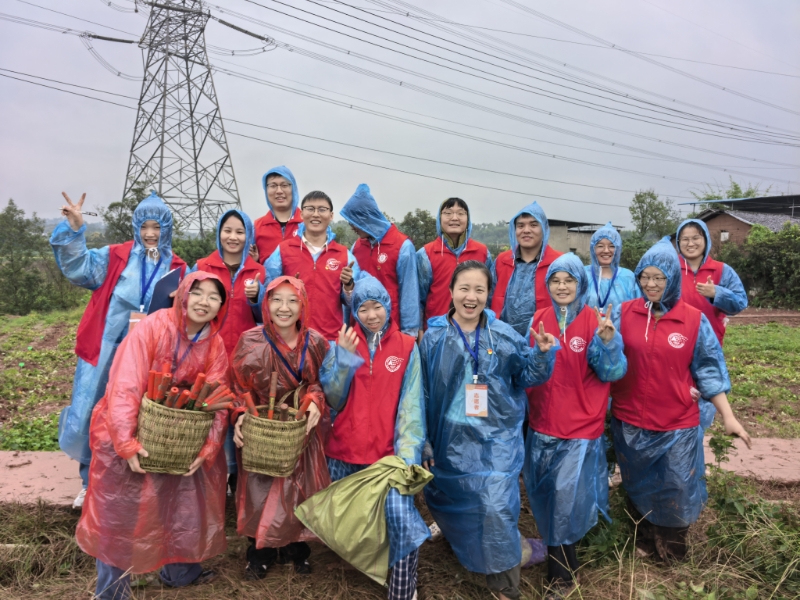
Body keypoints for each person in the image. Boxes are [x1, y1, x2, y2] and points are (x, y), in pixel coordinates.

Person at [75, 272, 230, 600]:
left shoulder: (214, 344)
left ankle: (180, 572)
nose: (204, 302)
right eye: (197, 293)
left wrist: (209, 446)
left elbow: (218, 398)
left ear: (221, 306)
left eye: (213, 297)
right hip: (128, 429)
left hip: (178, 440)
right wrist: (125, 441)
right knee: (119, 510)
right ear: (182, 294)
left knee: (182, 504)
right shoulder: (153, 327)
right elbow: (125, 385)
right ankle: (112, 591)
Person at [420, 260, 557, 600]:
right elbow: (419, 393)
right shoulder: (433, 338)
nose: (471, 297)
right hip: (449, 440)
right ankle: (469, 547)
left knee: (496, 506)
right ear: (451, 291)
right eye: (464, 288)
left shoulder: (503, 335)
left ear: (489, 294)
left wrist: (541, 355)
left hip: (497, 439)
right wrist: (423, 439)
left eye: (479, 290)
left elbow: (526, 376)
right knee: (456, 497)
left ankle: (505, 587)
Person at [610, 237, 751, 562]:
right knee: (637, 482)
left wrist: (728, 416)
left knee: (675, 485)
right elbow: (606, 359)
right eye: (645, 277)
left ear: (672, 277)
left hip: (676, 423)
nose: (650, 284)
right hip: (630, 419)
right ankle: (645, 541)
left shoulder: (693, 320)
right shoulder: (624, 313)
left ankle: (672, 552)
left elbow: (709, 371)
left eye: (659, 277)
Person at [51, 190, 186, 509]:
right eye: (144, 226)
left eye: (157, 227)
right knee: (93, 411)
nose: (150, 233)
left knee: (138, 415)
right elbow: (79, 268)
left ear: (167, 228)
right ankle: (89, 482)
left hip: (149, 355)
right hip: (107, 348)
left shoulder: (179, 267)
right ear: (135, 227)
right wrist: (74, 229)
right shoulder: (115, 256)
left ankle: (133, 484)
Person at [524, 253, 627, 598]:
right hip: (543, 425)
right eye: (555, 280)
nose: (562, 286)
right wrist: (539, 354)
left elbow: (612, 372)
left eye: (569, 280)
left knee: (565, 500)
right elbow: (528, 371)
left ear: (580, 283)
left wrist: (608, 343)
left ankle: (562, 578)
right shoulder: (539, 319)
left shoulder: (594, 320)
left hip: (580, 428)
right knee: (547, 498)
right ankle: (561, 560)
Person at [319, 276, 429, 600]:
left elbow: (411, 408)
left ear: (388, 306)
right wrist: (343, 359)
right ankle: (371, 562)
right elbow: (334, 399)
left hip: (387, 457)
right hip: (344, 452)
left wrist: (407, 459)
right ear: (354, 310)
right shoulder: (342, 342)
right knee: (346, 524)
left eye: (376, 306)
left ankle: (403, 589)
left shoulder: (406, 347)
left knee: (401, 517)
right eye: (363, 308)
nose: (371, 315)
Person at [230, 276, 331, 578]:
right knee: (259, 488)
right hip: (262, 426)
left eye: (292, 300)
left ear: (303, 305)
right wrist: (240, 414)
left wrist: (315, 400)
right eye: (276, 300)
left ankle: (296, 548)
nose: (284, 308)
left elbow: (323, 383)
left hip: (299, 428)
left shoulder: (316, 342)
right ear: (266, 303)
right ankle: (259, 551)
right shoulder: (250, 340)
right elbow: (237, 386)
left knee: (298, 487)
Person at [192, 209, 265, 494]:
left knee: (240, 414)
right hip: (209, 356)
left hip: (246, 359)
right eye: (227, 230)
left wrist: (257, 300)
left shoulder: (258, 271)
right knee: (211, 412)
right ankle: (210, 477)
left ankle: (236, 477)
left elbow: (265, 317)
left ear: (248, 236)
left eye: (240, 232)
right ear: (219, 233)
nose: (233, 237)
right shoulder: (202, 267)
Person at [675, 219, 748, 430]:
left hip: (708, 347)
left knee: (706, 393)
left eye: (695, 238)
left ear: (706, 240)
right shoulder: (671, 268)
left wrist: (717, 293)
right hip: (674, 344)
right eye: (685, 239)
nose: (690, 243)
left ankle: (697, 436)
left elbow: (740, 302)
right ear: (678, 242)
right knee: (676, 396)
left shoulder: (721, 270)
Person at [264, 191, 361, 341]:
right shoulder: (283, 250)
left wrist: (348, 285)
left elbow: (353, 303)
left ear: (331, 215)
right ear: (301, 214)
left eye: (322, 209)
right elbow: (268, 293)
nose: (316, 214)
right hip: (292, 339)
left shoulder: (344, 255)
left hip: (329, 339)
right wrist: (288, 286)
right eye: (310, 209)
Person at [340, 184, 420, 337]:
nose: (352, 228)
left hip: (391, 328)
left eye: (353, 222)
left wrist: (409, 333)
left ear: (366, 219)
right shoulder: (357, 247)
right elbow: (352, 291)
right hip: (361, 330)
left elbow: (409, 293)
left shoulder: (402, 246)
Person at [417, 198, 493, 332]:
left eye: (461, 213)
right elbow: (418, 299)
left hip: (475, 330)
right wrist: (419, 331)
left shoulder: (482, 253)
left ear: (468, 219)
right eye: (448, 213)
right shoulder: (426, 254)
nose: (454, 218)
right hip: (437, 329)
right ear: (439, 218)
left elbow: (489, 295)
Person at [490, 201, 563, 338]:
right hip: (501, 339)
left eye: (533, 225)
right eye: (520, 226)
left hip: (544, 339)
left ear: (544, 228)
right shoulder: (502, 261)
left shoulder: (559, 263)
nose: (526, 230)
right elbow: (488, 297)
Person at [584, 221, 640, 313]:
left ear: (618, 249)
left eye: (612, 246)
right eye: (600, 246)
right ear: (593, 248)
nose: (606, 250)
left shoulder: (628, 277)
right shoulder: (583, 275)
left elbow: (637, 309)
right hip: (587, 323)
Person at [253, 166, 303, 263]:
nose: (279, 191)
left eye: (284, 185)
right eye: (273, 186)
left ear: (294, 189)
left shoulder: (307, 223)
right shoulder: (256, 227)